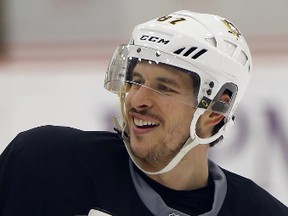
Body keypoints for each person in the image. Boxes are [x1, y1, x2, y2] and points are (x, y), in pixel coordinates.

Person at [0, 10, 287, 216]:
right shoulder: (47, 166)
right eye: (135, 81)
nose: (137, 100)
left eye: (164, 87)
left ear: (215, 110)